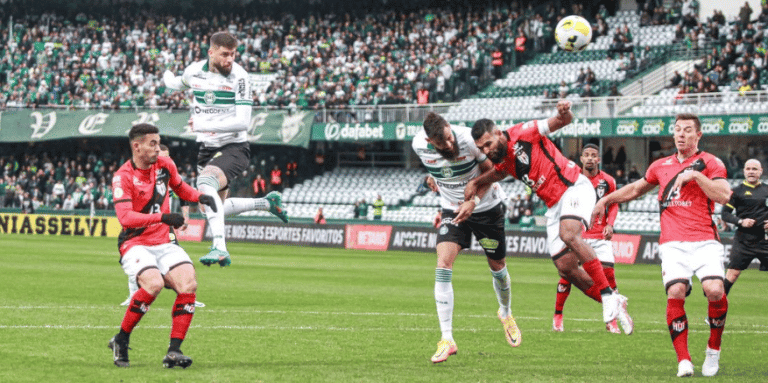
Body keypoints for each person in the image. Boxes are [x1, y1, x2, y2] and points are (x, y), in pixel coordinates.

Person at [465, 100, 632, 334]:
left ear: (497, 133)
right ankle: (615, 299)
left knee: (568, 235)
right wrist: (476, 181)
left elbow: (562, 121)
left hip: (574, 186)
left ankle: (606, 295)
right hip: (554, 205)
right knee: (566, 268)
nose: (486, 151)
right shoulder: (502, 158)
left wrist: (564, 113)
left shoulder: (525, 131)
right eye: (482, 149)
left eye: (488, 144)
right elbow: (501, 172)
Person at [592, 113, 731, 377]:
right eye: (677, 130)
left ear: (698, 135)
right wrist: (606, 200)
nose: (681, 134)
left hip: (704, 240)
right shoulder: (661, 165)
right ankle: (684, 360)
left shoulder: (711, 163)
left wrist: (696, 177)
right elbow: (635, 189)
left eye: (688, 130)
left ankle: (713, 349)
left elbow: (724, 195)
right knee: (676, 291)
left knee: (714, 291)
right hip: (672, 243)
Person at [163, 31, 288, 267]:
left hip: (234, 146)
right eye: (224, 55)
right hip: (207, 148)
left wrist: (202, 123)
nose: (229, 60)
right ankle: (266, 203)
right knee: (208, 206)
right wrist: (166, 76)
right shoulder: (194, 71)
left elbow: (243, 122)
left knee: (206, 183)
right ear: (211, 52)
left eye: (232, 54)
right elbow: (177, 83)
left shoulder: (240, 77)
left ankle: (219, 246)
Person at [108, 123, 218, 368]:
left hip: (163, 241)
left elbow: (180, 187)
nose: (158, 149)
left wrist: (200, 196)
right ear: (137, 147)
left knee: (189, 284)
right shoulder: (122, 177)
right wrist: (163, 217)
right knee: (154, 284)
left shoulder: (165, 165)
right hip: (135, 242)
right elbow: (125, 218)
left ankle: (174, 351)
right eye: (152, 144)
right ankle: (121, 339)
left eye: (158, 143)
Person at [414, 112, 520, 364]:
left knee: (498, 267)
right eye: (442, 144)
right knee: (443, 264)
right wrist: (434, 177)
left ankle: (506, 313)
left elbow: (492, 172)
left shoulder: (469, 140)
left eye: (450, 139)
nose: (450, 145)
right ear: (430, 143)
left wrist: (472, 200)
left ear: (450, 128)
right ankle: (447, 339)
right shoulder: (418, 145)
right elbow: (437, 168)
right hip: (452, 209)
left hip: (486, 209)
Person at [553, 144, 627, 334]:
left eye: (594, 155)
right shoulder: (572, 180)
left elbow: (614, 204)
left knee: (609, 277)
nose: (590, 159)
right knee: (568, 274)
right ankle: (558, 316)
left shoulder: (608, 181)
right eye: (586, 155)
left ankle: (612, 320)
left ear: (599, 159)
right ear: (581, 159)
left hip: (600, 235)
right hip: (578, 235)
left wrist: (610, 224)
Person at [120, 144, 205, 308]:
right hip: (143, 226)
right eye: (161, 156)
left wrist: (185, 217)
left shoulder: (169, 174)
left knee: (177, 259)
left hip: (165, 226)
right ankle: (132, 296)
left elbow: (183, 196)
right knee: (138, 259)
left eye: (166, 156)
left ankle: (187, 295)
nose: (163, 159)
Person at [720, 159, 768, 294]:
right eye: (748, 169)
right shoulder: (736, 192)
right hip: (743, 240)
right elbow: (725, 214)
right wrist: (741, 221)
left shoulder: (767, 189)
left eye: (754, 169)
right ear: (744, 171)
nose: (751, 172)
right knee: (732, 275)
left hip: (765, 240)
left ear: (761, 171)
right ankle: (715, 313)